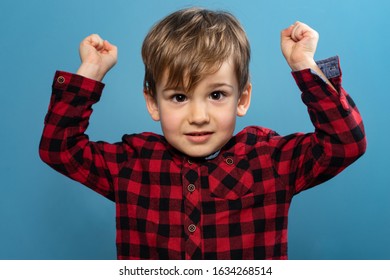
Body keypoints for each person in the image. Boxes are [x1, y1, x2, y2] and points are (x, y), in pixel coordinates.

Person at [39, 7, 366, 259]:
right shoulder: (133, 164)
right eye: (179, 97)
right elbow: (59, 149)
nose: (198, 116)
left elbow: (345, 143)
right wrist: (91, 73)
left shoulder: (270, 160)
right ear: (153, 104)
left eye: (216, 95)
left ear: (242, 99)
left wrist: (304, 64)